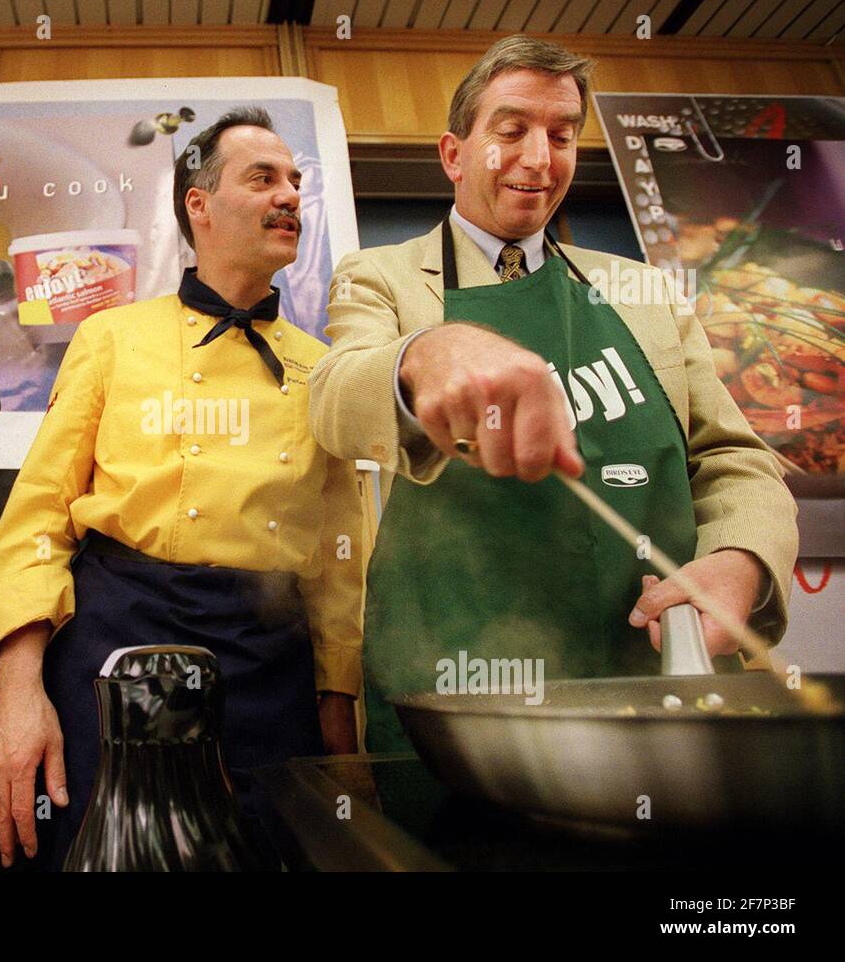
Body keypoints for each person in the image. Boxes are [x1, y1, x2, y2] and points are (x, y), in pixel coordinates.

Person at [308, 36, 798, 752]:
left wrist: (742, 560)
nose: (540, 158)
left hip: (658, 674)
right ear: (453, 153)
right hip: (460, 685)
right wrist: (425, 353)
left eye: (562, 136)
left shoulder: (642, 290)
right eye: (512, 131)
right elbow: (332, 397)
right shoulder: (380, 276)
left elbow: (734, 458)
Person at [0, 107, 365, 869]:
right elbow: (39, 517)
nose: (289, 194)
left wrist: (338, 703)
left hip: (268, 661)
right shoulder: (111, 336)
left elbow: (337, 553)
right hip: (118, 639)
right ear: (199, 203)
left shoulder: (324, 369)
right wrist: (15, 687)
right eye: (263, 178)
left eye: (295, 180)